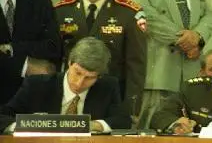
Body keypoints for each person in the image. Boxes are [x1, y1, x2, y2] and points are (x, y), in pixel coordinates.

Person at [54, 0, 147, 118]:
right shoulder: (61, 11)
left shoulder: (128, 13)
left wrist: (130, 110)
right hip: (70, 97)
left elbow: (136, 68)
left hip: (110, 99)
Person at [0, 37, 131, 132]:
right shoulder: (37, 85)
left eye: (89, 78)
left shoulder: (108, 86)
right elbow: (3, 116)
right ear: (69, 63)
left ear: (99, 76)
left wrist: (94, 125)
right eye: (77, 73)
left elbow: (123, 120)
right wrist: (27, 124)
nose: (79, 83)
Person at [0, 0, 61, 103]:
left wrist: (10, 48)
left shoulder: (40, 2)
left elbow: (53, 47)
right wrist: (25, 66)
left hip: (33, 98)